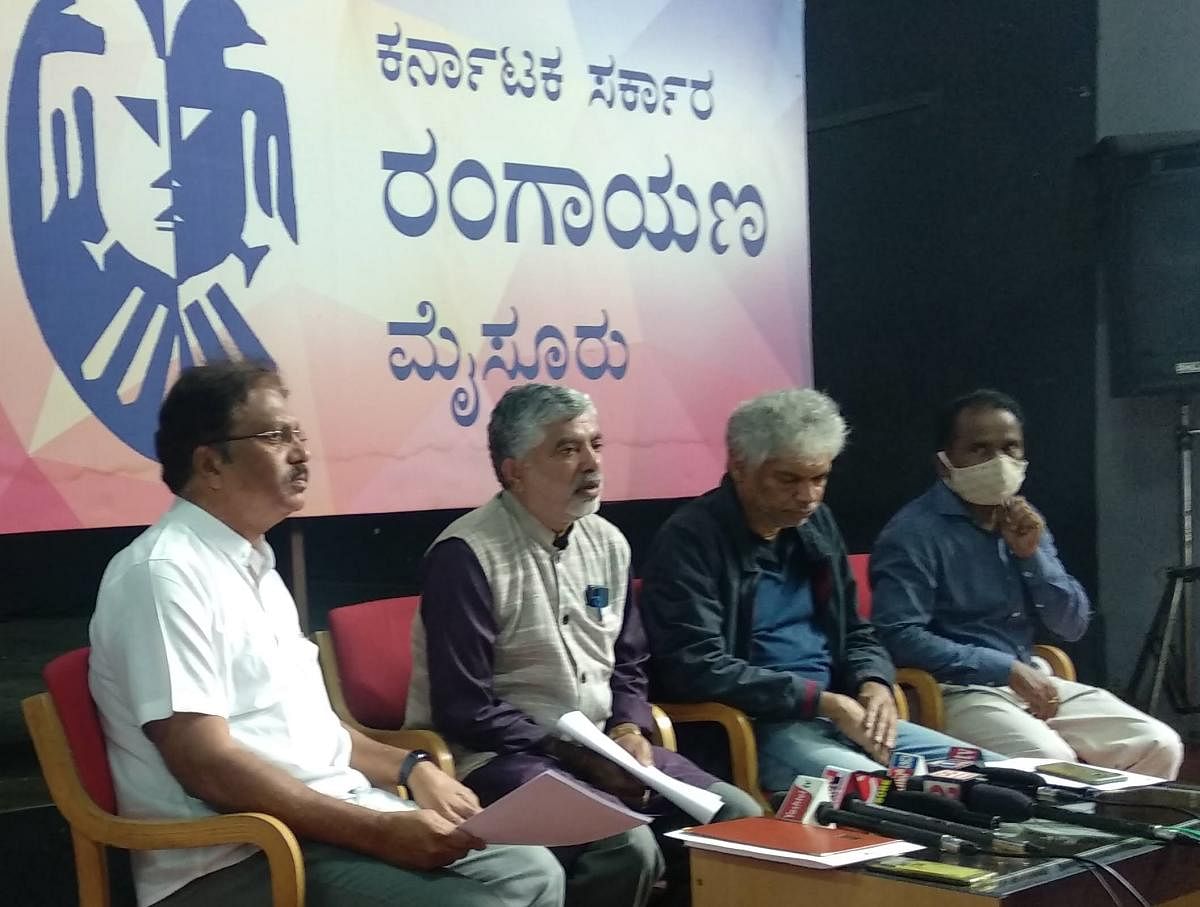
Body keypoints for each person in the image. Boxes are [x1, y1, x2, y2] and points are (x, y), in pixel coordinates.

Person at [89, 361, 565, 907]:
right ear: (210, 463)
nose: (301, 452)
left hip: (326, 824)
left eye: (299, 435)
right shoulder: (162, 574)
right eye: (275, 436)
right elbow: (206, 764)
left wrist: (411, 769)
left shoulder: (257, 567)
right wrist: (376, 831)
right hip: (238, 856)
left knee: (533, 871)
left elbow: (316, 735)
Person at [406, 383, 761, 907]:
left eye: (596, 444)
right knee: (626, 846)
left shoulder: (608, 541)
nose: (591, 464)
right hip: (499, 756)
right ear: (514, 470)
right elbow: (466, 708)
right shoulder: (467, 555)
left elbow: (630, 660)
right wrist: (576, 756)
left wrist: (628, 727)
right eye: (568, 449)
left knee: (739, 819)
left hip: (604, 748)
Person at [639, 388, 996, 795]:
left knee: (993, 775)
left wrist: (873, 680)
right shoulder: (690, 539)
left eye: (819, 478)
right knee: (888, 794)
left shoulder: (816, 525)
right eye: (789, 479)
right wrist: (821, 701)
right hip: (757, 729)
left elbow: (858, 632)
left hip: (843, 714)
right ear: (739, 467)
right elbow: (696, 667)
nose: (808, 496)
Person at [870, 389, 1182, 778]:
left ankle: (1125, 837)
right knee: (1054, 761)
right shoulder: (912, 534)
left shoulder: (1022, 520)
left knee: (1159, 743)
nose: (998, 462)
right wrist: (1004, 668)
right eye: (979, 449)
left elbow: (1073, 624)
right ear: (945, 464)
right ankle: (1068, 840)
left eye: (1010, 448)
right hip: (957, 690)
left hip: (1034, 681)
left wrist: (1031, 555)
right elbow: (898, 635)